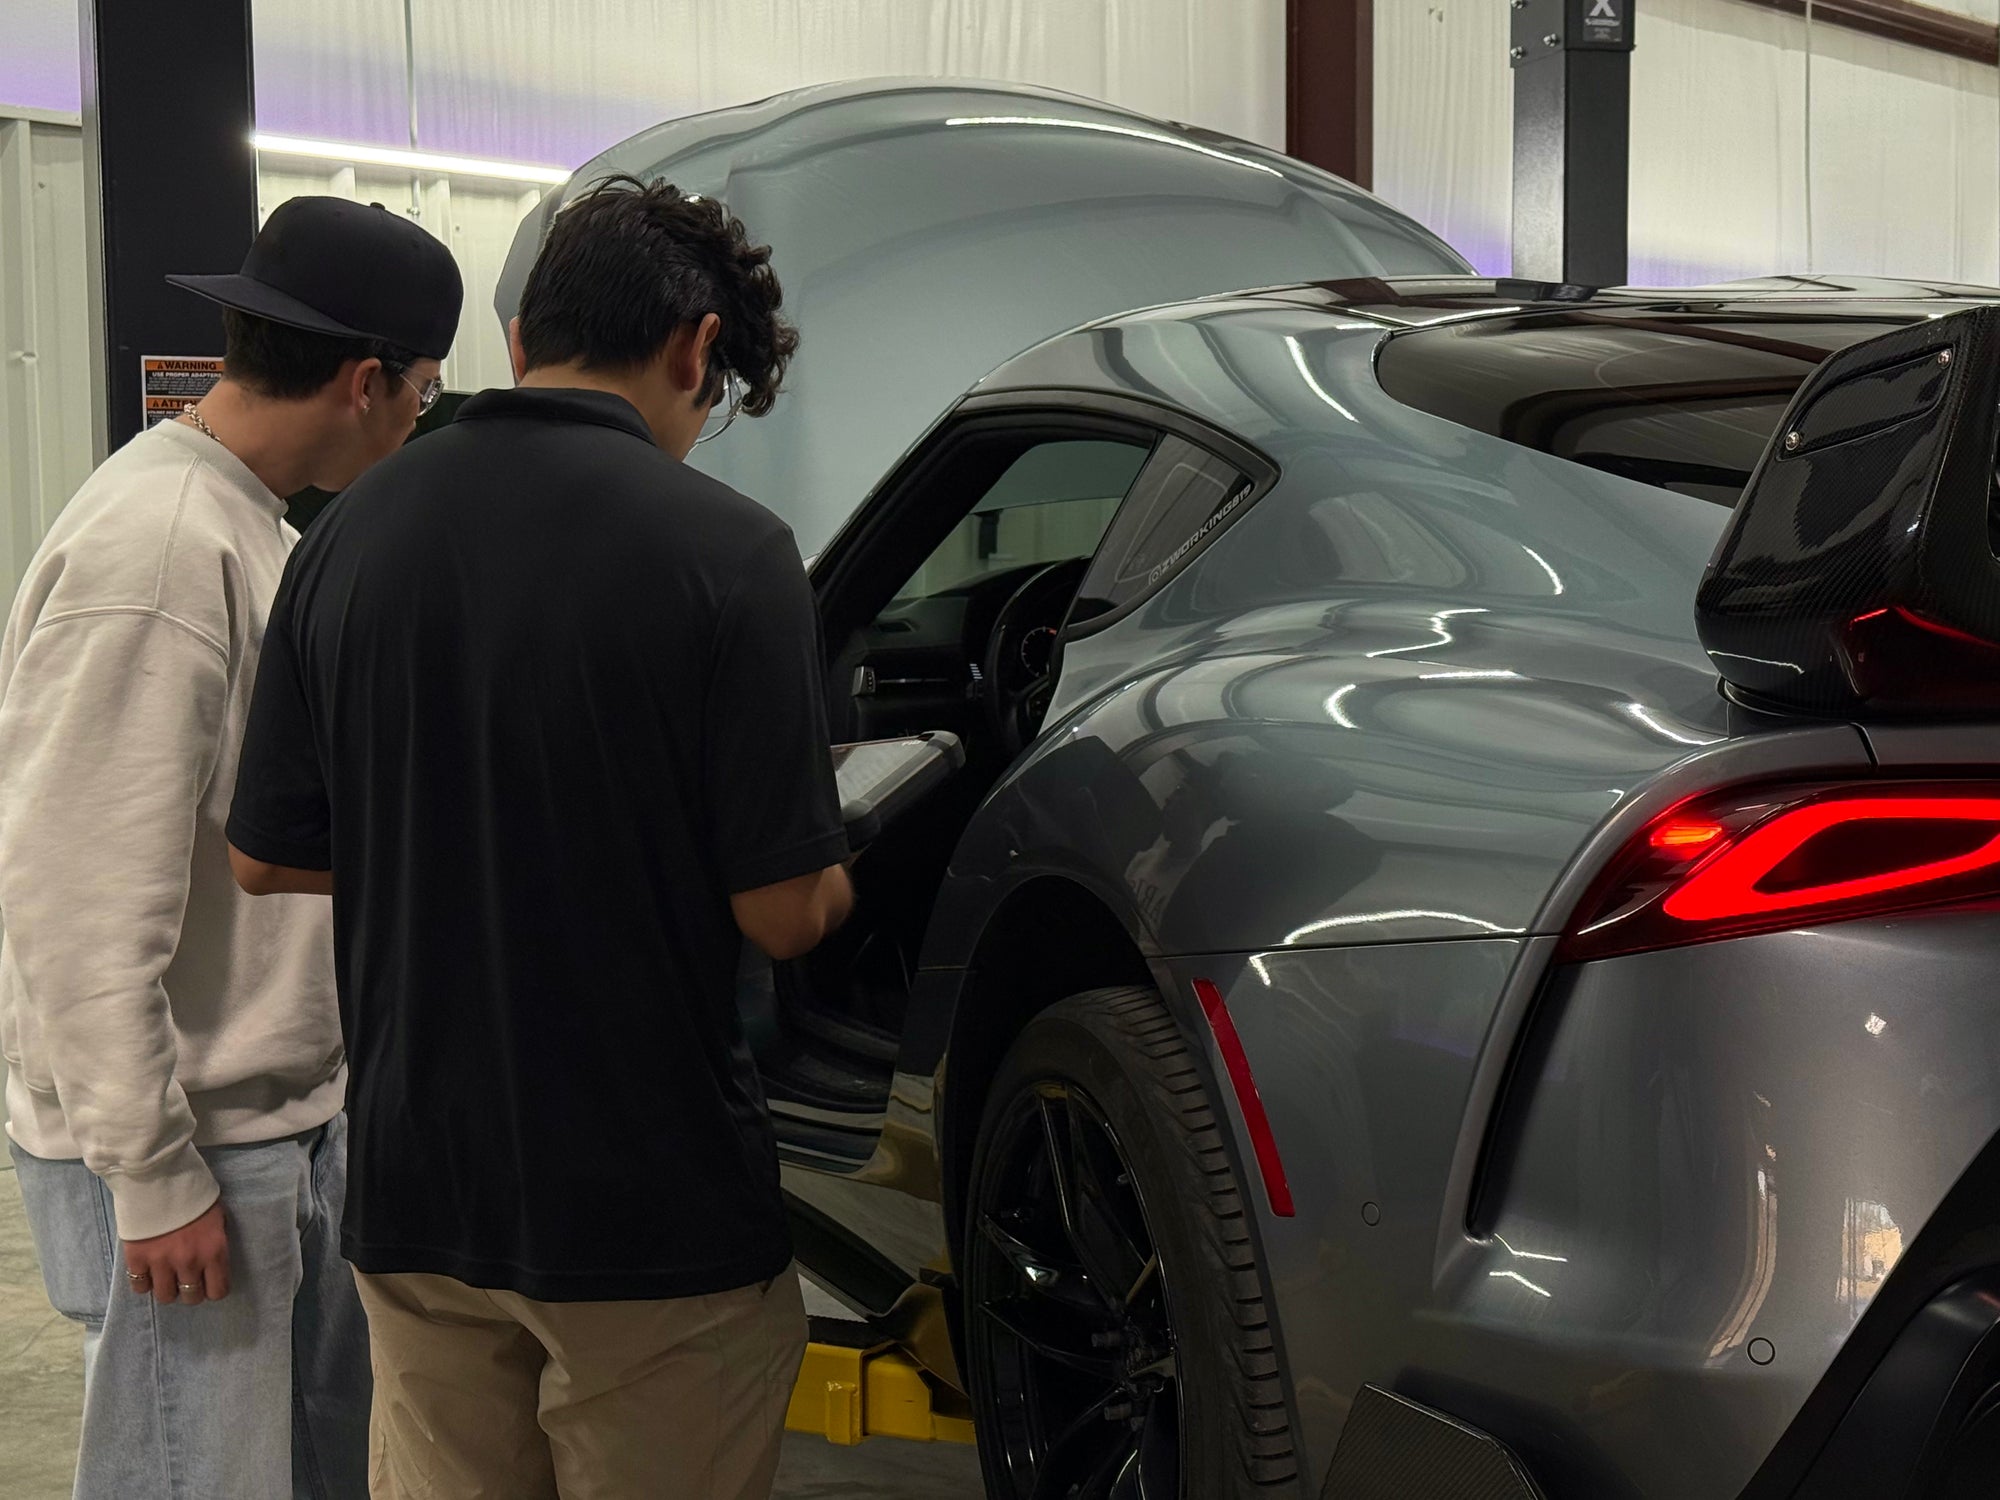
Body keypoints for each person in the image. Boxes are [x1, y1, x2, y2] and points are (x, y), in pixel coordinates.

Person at [227, 175, 853, 1500]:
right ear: (695, 350)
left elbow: (265, 854)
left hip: (417, 1193)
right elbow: (784, 913)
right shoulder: (733, 555)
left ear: (521, 340)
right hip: (650, 1214)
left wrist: (444, 827)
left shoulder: (344, 539)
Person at [0, 196, 463, 1498]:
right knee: (195, 1475)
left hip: (261, 1121)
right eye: (423, 393)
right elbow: (77, 894)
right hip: (192, 1142)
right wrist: (151, 1176)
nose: (422, 421)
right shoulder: (157, 553)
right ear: (368, 381)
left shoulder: (240, 520)